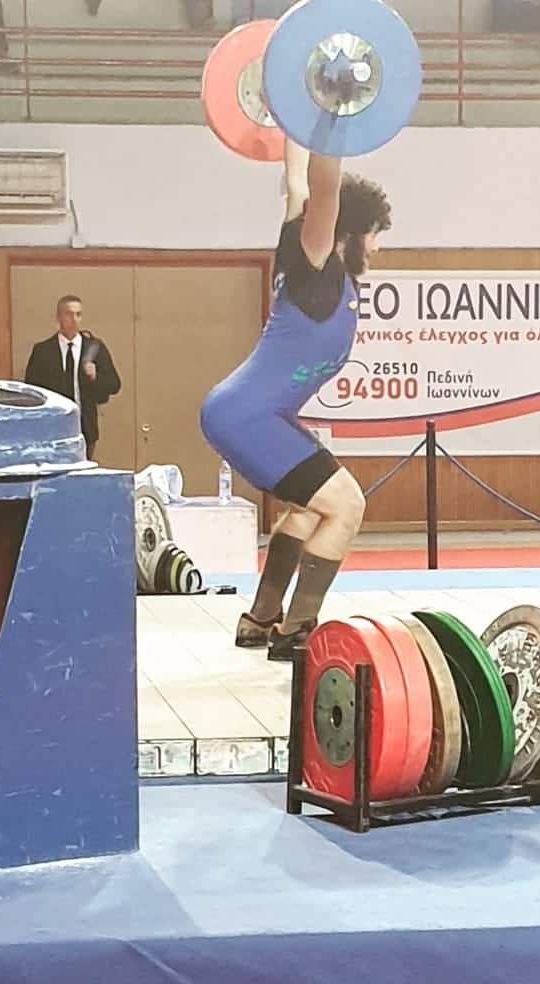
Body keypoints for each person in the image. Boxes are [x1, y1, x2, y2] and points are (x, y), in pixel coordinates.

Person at [200, 140, 390, 661]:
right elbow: (323, 187)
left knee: (309, 510)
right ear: (350, 232)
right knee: (347, 506)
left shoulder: (303, 250)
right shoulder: (318, 261)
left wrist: (297, 114)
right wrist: (334, 120)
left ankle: (260, 620)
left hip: (248, 414)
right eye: (374, 234)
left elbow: (298, 180)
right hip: (249, 417)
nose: (377, 247)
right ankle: (297, 632)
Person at [23, 295, 122, 460]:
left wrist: (95, 376)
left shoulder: (94, 348)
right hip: (52, 427)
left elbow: (114, 384)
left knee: (84, 469)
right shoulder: (43, 351)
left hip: (85, 426)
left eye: (78, 314)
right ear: (58, 317)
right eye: (69, 314)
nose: (74, 319)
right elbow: (31, 391)